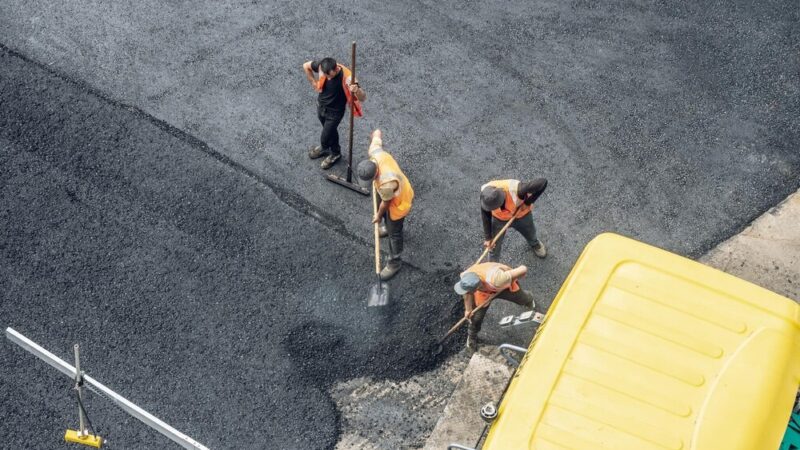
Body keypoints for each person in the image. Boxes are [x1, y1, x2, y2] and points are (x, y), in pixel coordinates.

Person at [356, 130, 414, 280]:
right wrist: (376, 134)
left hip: (399, 201)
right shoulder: (375, 154)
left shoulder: (387, 183)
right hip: (385, 191)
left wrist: (378, 216)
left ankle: (395, 262)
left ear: (375, 174)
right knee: (386, 221)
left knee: (395, 232)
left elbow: (385, 204)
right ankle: (387, 227)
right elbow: (376, 136)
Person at [454, 262, 535, 352]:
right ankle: (471, 336)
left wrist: (511, 279)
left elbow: (523, 269)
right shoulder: (465, 277)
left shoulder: (498, 279)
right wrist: (468, 310)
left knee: (522, 299)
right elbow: (467, 293)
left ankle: (529, 300)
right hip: (484, 292)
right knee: (475, 318)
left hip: (502, 287)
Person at [302, 57, 366, 169]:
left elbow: (363, 97)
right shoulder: (322, 66)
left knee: (325, 137)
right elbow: (306, 66)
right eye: (326, 76)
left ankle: (329, 150)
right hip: (321, 106)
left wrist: (357, 90)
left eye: (330, 76)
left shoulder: (348, 78)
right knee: (331, 132)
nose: (328, 78)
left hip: (335, 113)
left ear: (336, 68)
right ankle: (334, 151)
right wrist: (313, 82)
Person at [481, 178, 548, 261]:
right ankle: (492, 268)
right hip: (499, 219)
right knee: (493, 245)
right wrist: (488, 238)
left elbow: (542, 182)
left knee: (530, 232)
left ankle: (535, 244)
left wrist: (528, 202)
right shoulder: (485, 195)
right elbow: (485, 213)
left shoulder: (517, 189)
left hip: (521, 214)